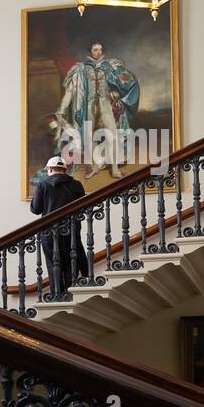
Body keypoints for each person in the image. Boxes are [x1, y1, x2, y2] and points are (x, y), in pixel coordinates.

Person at [55, 42, 139, 180]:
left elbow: (126, 81)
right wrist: (62, 109)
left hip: (105, 105)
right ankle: (94, 167)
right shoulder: (80, 70)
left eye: (100, 49)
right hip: (88, 106)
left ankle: (115, 169)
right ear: (90, 51)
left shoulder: (111, 67)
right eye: (95, 49)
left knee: (113, 135)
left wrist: (117, 93)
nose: (99, 52)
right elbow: (70, 92)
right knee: (89, 137)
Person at [30, 155, 88, 299]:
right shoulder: (76, 184)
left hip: (49, 232)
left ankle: (57, 294)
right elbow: (83, 208)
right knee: (71, 262)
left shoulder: (43, 184)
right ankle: (71, 293)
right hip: (71, 230)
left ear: (49, 169)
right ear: (65, 169)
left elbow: (36, 209)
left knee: (52, 263)